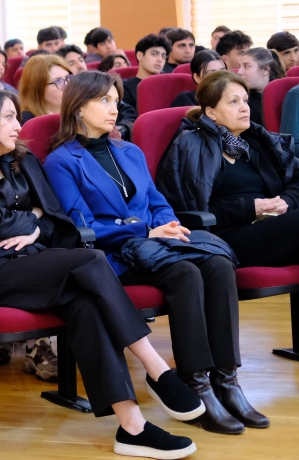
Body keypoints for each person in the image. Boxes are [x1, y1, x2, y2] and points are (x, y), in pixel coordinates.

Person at [0, 89, 202, 459]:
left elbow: (58, 221)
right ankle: (157, 367)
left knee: (87, 305)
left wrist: (34, 225)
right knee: (91, 260)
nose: (19, 125)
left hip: (32, 264)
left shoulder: (21, 160)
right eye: (9, 118)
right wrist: (33, 218)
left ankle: (132, 427)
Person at [44, 71, 258, 435]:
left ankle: (227, 379)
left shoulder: (130, 151)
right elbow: (83, 227)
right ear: (78, 107)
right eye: (104, 101)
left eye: (116, 100)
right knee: (186, 273)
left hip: (156, 245)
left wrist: (169, 225)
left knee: (220, 264)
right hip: (114, 255)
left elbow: (159, 203)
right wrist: (145, 229)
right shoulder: (62, 160)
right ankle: (196, 384)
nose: (115, 109)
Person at [159, 69, 299, 275]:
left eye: (245, 100)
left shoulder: (258, 141)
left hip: (271, 226)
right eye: (234, 102)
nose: (244, 108)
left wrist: (288, 200)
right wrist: (249, 208)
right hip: (224, 237)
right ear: (211, 112)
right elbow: (189, 211)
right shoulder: (191, 146)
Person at [236, 47, 284, 127]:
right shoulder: (244, 102)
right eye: (240, 66)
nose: (239, 72)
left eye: (246, 66)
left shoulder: (285, 94)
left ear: (265, 70)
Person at [18, 54, 71, 124]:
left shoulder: (81, 112)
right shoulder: (28, 122)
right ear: (38, 89)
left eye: (68, 78)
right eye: (57, 81)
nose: (67, 85)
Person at [123, 34, 171, 111]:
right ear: (140, 56)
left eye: (164, 56)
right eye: (154, 54)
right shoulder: (125, 87)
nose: (160, 59)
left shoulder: (170, 85)